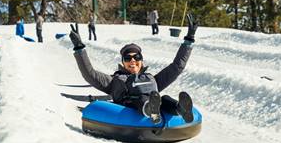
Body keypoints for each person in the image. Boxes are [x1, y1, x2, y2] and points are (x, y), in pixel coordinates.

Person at [69, 14, 198, 124]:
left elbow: (176, 67)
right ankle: (151, 110)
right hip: (133, 109)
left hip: (155, 102)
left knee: (164, 99)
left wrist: (189, 40)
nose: (133, 61)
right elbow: (89, 74)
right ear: (123, 63)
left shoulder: (151, 78)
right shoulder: (115, 80)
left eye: (136, 57)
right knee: (142, 99)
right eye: (127, 58)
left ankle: (180, 109)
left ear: (141, 61)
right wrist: (79, 48)